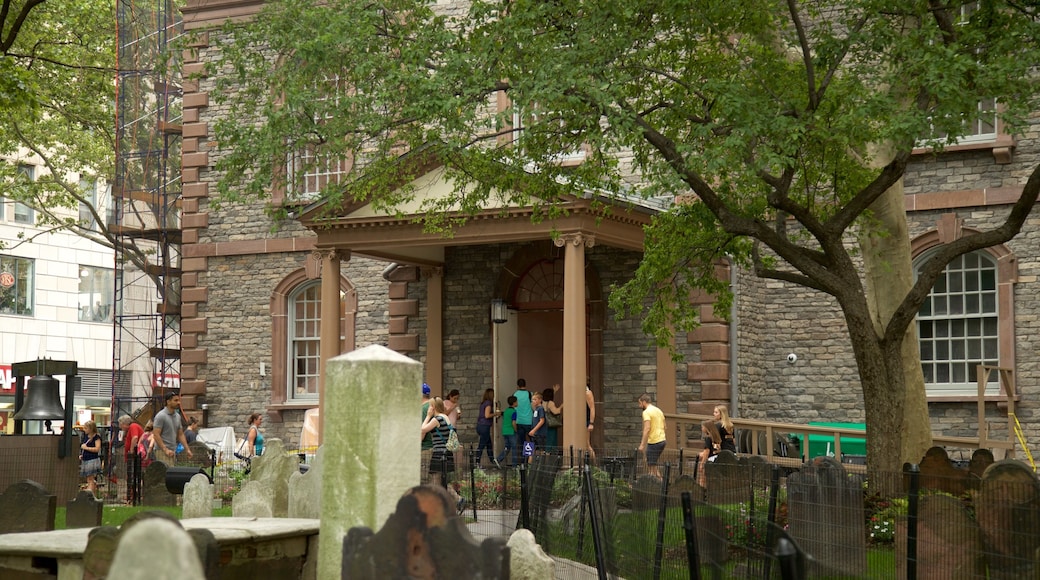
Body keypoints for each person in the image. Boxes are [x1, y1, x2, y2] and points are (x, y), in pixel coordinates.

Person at [421, 396, 465, 512]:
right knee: (442, 481)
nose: (429, 408)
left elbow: (423, 429)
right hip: (447, 453)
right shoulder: (445, 417)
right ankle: (458, 499)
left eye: (430, 406)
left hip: (439, 453)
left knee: (436, 481)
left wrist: (428, 416)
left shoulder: (437, 419)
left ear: (434, 407)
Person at [152, 392, 193, 466]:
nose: (178, 402)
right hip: (161, 451)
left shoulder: (177, 416)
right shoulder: (161, 416)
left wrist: (187, 449)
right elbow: (156, 434)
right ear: (168, 402)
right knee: (165, 474)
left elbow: (180, 434)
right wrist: (165, 449)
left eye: (179, 400)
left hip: (173, 450)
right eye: (176, 400)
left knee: (171, 474)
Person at [637, 393, 667, 479]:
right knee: (652, 463)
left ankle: (658, 485)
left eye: (640, 403)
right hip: (662, 440)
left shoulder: (646, 412)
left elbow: (647, 428)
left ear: (644, 402)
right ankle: (659, 482)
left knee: (651, 466)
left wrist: (642, 444)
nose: (639, 406)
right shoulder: (659, 410)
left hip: (654, 441)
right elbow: (665, 426)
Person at [118, 415, 144, 505]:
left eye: (120, 424)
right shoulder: (130, 429)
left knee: (133, 476)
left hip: (134, 457)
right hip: (131, 458)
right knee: (131, 476)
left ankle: (133, 497)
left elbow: (135, 438)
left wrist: (131, 451)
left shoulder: (133, 426)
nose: (120, 427)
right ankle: (131, 496)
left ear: (125, 424)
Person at [475, 388, 500, 468]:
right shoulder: (488, 403)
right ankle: (477, 462)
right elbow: (487, 415)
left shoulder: (483, 403)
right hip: (484, 426)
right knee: (481, 445)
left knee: (489, 444)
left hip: (480, 425)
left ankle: (492, 460)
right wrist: (495, 414)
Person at [79, 420, 103, 496]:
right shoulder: (86, 437)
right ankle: (93, 494)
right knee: (88, 478)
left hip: (92, 460)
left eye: (86, 428)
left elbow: (97, 449)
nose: (84, 430)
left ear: (91, 429)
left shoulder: (96, 437)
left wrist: (86, 448)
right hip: (86, 459)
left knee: (91, 478)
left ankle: (89, 494)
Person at [495, 396, 518, 468]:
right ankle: (514, 465)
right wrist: (516, 430)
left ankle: (499, 459)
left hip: (505, 431)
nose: (517, 403)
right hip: (511, 431)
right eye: (517, 401)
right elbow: (513, 423)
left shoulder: (506, 411)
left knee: (507, 447)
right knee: (514, 448)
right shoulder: (514, 412)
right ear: (514, 403)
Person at [698, 419, 722, 487]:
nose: (702, 428)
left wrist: (702, 464)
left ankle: (702, 489)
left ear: (706, 428)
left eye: (702, 427)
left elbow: (707, 451)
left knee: (703, 477)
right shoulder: (717, 438)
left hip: (710, 460)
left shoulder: (708, 439)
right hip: (717, 458)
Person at [513, 378, 533, 446]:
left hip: (519, 420)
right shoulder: (530, 394)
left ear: (518, 385)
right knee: (531, 440)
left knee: (522, 441)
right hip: (529, 420)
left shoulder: (515, 394)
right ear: (525, 384)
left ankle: (523, 456)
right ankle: (530, 455)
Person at [528, 392, 546, 462]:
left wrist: (534, 430)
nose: (533, 401)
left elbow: (542, 420)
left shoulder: (540, 409)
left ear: (540, 400)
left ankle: (540, 465)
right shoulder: (536, 409)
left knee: (540, 450)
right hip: (535, 434)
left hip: (540, 433)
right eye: (532, 400)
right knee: (533, 450)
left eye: (535, 399)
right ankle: (530, 466)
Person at [584, 380, 597, 462]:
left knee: (587, 444)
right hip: (579, 421)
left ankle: (595, 466)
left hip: (586, 421)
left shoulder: (587, 393)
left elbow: (592, 408)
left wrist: (591, 423)